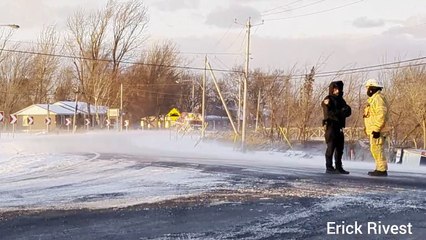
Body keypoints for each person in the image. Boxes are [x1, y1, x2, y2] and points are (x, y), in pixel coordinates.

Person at [321, 81, 352, 174]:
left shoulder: (341, 100)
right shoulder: (328, 99)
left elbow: (348, 111)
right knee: (331, 147)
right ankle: (329, 167)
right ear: (332, 89)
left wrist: (344, 111)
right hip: (331, 126)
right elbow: (328, 113)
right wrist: (340, 112)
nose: (337, 91)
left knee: (340, 148)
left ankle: (339, 167)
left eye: (338, 89)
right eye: (335, 89)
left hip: (339, 127)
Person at [363, 79, 389, 177]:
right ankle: (379, 168)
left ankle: (381, 170)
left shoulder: (378, 98)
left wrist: (377, 129)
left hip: (377, 130)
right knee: (375, 149)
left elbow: (381, 115)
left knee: (377, 149)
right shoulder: (374, 99)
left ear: (372, 88)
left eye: (368, 88)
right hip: (373, 129)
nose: (367, 90)